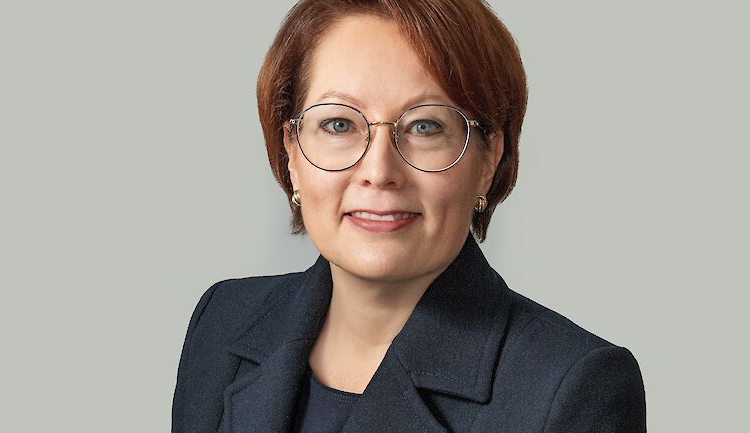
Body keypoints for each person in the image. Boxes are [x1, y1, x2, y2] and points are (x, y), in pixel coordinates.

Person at [172, 1, 647, 432]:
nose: (379, 172)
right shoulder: (222, 322)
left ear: (488, 159)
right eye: (338, 124)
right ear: (291, 152)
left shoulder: (573, 389)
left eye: (424, 126)